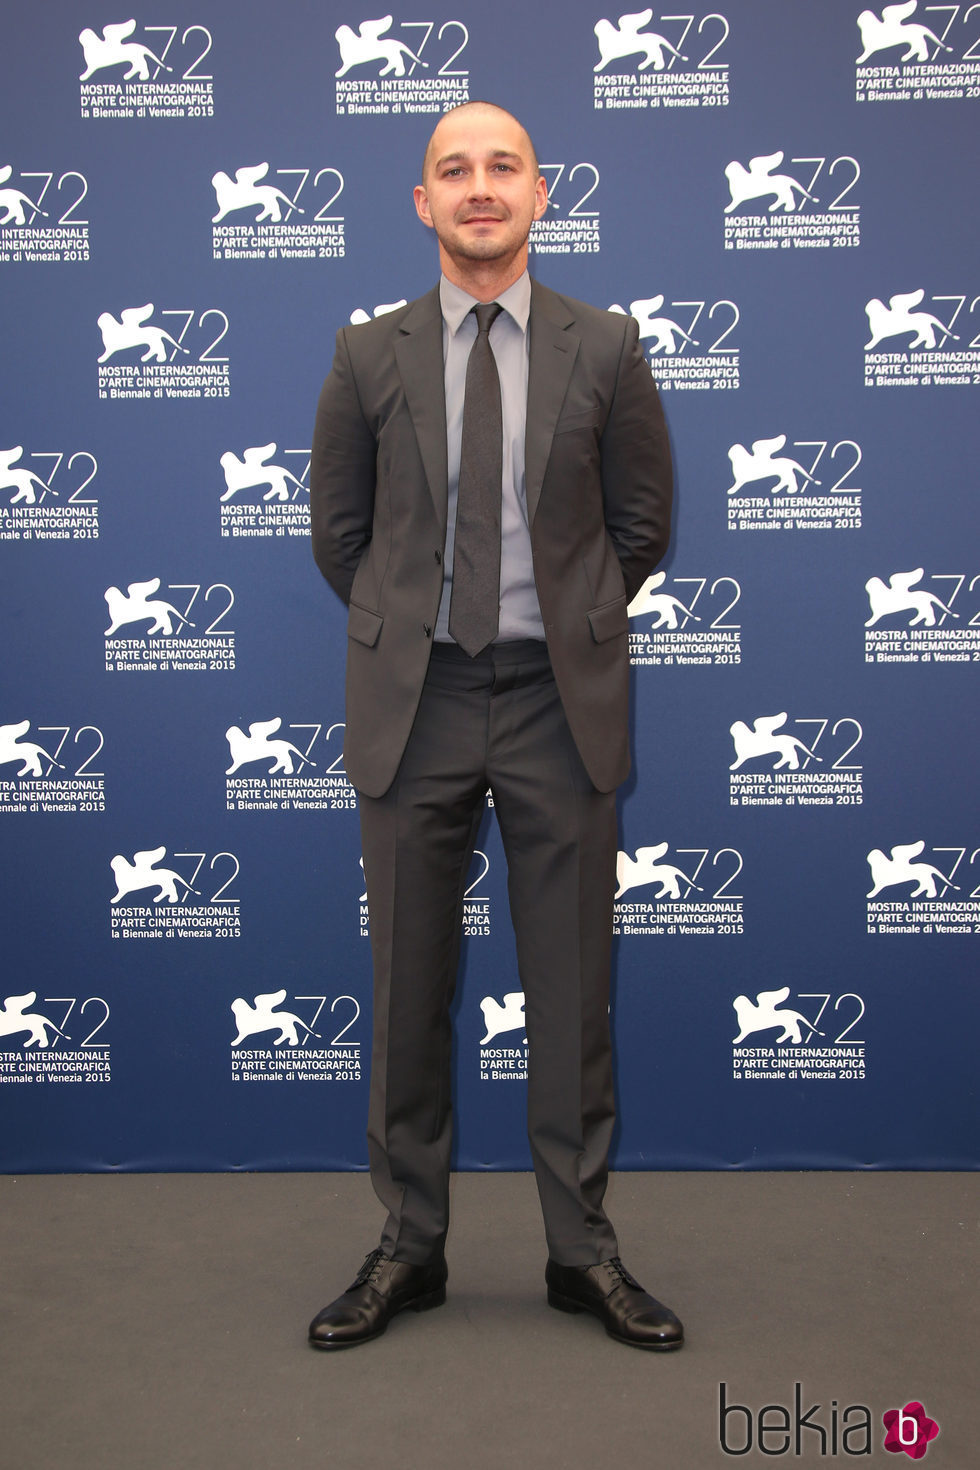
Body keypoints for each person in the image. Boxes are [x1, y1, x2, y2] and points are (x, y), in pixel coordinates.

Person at [308, 101, 680, 1351]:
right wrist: (416, 629)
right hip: (413, 706)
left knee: (572, 995)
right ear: (423, 204)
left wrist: (562, 626)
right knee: (408, 987)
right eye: (453, 171)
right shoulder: (368, 355)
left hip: (552, 708)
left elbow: (640, 529)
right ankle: (408, 1249)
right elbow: (341, 541)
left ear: (538, 194)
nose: (479, 188)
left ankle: (580, 1254)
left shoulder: (609, 347)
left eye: (502, 168)